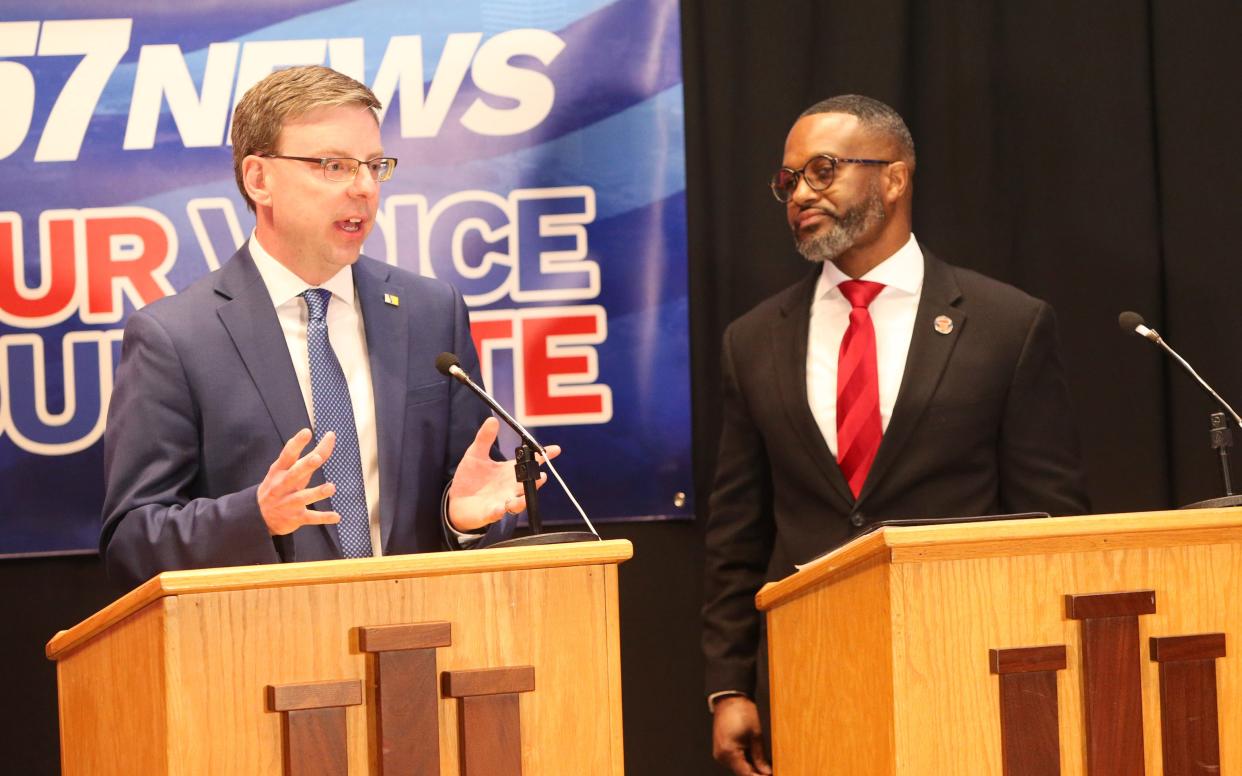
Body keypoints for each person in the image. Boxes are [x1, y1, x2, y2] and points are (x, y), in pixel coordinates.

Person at [701, 95, 1090, 775]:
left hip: (975, 666)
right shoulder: (754, 340)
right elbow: (737, 537)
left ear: (894, 177)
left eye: (822, 170)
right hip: (815, 676)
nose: (800, 194)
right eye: (788, 181)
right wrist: (729, 686)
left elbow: (1051, 522)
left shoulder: (1007, 324)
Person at [100, 66, 548, 589]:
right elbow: (131, 542)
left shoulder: (431, 313)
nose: (363, 188)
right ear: (258, 179)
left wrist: (463, 518)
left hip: (420, 642)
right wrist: (255, 516)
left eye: (374, 166)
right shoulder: (176, 338)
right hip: (257, 653)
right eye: (333, 165)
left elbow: (467, 493)